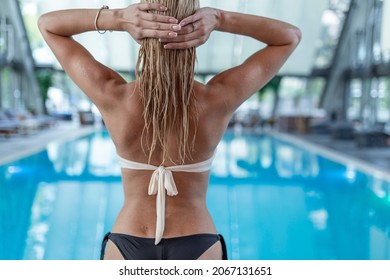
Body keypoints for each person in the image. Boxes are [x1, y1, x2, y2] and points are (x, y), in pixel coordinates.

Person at [38, 0, 301, 260]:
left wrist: (119, 18)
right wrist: (220, 19)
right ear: (197, 33)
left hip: (128, 242)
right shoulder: (218, 98)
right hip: (198, 241)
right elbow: (289, 37)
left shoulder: (113, 96)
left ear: (142, 32)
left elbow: (48, 25)